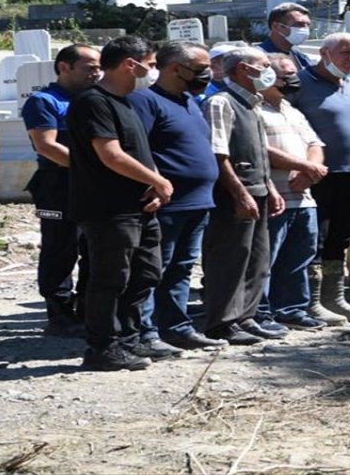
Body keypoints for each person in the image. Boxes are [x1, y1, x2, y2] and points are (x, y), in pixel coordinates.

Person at [66, 36, 173, 370]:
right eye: (151, 65)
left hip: (140, 207)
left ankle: (129, 340)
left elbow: (138, 151)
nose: (152, 72)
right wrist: (157, 181)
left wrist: (153, 185)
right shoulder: (93, 102)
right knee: (111, 279)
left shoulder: (127, 101)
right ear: (131, 64)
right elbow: (111, 155)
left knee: (145, 274)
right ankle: (103, 347)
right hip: (109, 209)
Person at [128, 41, 225, 352]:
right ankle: (146, 333)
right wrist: (154, 184)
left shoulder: (189, 100)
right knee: (154, 268)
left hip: (199, 200)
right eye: (201, 69)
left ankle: (177, 327)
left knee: (182, 267)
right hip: (168, 201)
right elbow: (139, 148)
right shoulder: (145, 101)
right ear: (174, 69)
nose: (207, 74)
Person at [201, 48, 286, 345]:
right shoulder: (221, 102)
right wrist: (239, 193)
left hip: (259, 190)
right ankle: (222, 323)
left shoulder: (253, 104)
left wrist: (271, 188)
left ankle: (245, 317)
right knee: (229, 259)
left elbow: (259, 153)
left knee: (257, 260)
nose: (270, 70)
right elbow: (218, 153)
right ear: (242, 70)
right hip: (234, 195)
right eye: (263, 65)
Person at [293, 32, 350, 325]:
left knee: (343, 234)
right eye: (346, 52)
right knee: (319, 237)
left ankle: (335, 298)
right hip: (318, 174)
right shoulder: (300, 82)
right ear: (325, 53)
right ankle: (311, 301)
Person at [21, 44, 100, 336]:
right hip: (58, 183)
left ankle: (88, 309)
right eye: (89, 67)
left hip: (91, 183)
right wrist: (93, 170)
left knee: (94, 247)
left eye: (98, 67)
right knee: (60, 248)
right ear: (64, 67)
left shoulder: (94, 99)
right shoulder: (44, 101)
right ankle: (60, 314)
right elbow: (46, 145)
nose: (96, 73)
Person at [258, 55, 329, 330]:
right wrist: (305, 166)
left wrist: (310, 170)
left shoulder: (292, 109)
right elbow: (259, 149)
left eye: (294, 72)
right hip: (275, 196)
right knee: (268, 258)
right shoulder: (255, 109)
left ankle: (291, 309)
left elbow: (314, 143)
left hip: (303, 196)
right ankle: (261, 312)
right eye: (285, 74)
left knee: (299, 256)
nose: (292, 78)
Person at [260, 2, 315, 72]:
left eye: (308, 25)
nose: (305, 29)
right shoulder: (260, 57)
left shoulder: (300, 56)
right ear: (276, 26)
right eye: (299, 24)